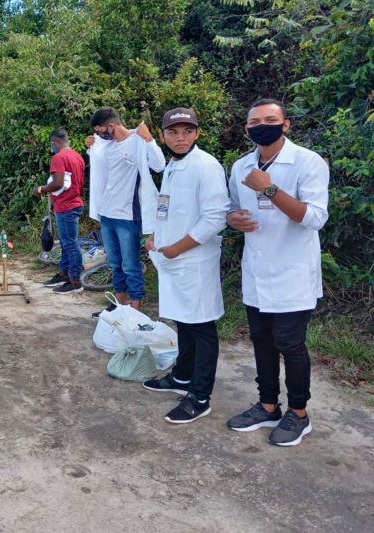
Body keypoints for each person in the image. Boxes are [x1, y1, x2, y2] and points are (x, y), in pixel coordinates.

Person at [225, 98, 329, 446]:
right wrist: (232, 219)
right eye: (255, 121)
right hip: (256, 269)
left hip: (293, 272)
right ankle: (268, 405)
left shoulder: (307, 162)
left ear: (286, 125)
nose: (262, 125)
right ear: (247, 129)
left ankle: (299, 413)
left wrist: (269, 188)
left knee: (290, 344)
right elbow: (232, 209)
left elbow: (315, 218)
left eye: (271, 119)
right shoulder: (240, 166)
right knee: (262, 342)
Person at [141, 108, 230, 424]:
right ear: (163, 135)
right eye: (174, 132)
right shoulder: (172, 166)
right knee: (183, 320)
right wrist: (156, 234)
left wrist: (177, 247)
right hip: (172, 259)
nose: (180, 138)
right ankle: (181, 376)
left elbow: (215, 217)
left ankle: (200, 396)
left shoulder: (206, 166)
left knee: (202, 326)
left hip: (193, 261)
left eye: (187, 131)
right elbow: (167, 207)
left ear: (197, 134)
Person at [86, 107, 164, 311]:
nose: (100, 134)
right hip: (107, 214)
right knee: (114, 264)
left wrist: (149, 140)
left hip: (128, 215)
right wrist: (91, 147)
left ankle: (135, 309)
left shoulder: (138, 140)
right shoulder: (106, 145)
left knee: (130, 265)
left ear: (111, 126)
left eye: (101, 130)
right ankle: (120, 307)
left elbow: (159, 165)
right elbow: (98, 170)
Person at [34, 128, 86, 294]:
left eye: (52, 144)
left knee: (70, 243)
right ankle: (64, 274)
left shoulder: (59, 157)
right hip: (73, 203)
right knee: (66, 242)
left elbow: (58, 183)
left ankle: (75, 281)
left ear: (54, 142)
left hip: (66, 206)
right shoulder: (77, 157)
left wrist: (41, 189)